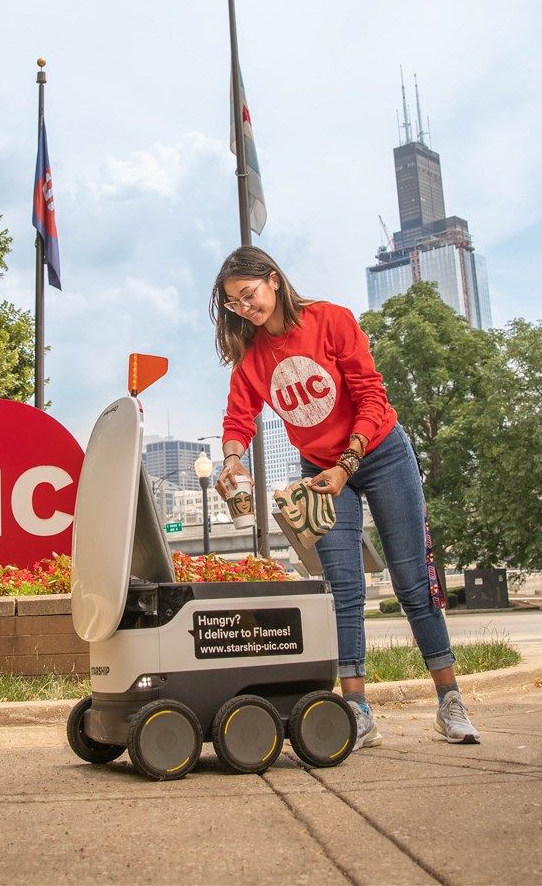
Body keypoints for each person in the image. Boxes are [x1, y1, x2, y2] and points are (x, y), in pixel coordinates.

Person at [210, 246, 480, 747]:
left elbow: (371, 395)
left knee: (412, 581)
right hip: (319, 471)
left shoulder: (331, 320)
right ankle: (357, 711)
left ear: (273, 280)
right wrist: (231, 461)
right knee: (344, 592)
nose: (246, 309)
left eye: (249, 296)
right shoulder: (251, 358)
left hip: (380, 454)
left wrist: (347, 465)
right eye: (234, 304)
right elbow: (237, 419)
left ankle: (449, 702)